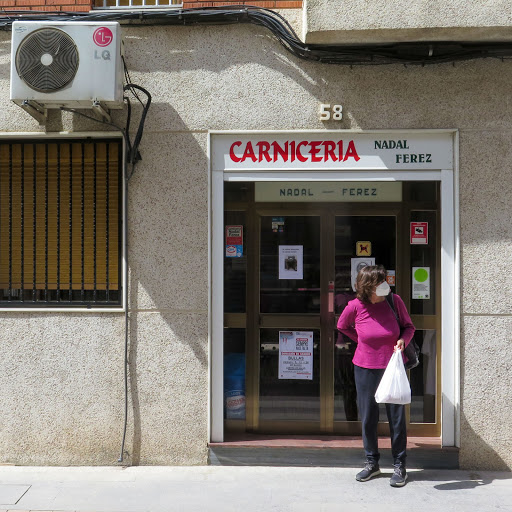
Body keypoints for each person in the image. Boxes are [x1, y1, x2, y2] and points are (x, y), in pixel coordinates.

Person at [337, 265, 415, 487]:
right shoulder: (355, 306)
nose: (385, 285)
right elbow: (342, 326)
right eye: (380, 282)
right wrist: (360, 339)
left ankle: (400, 465)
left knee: (396, 418)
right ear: (368, 286)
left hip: (393, 366)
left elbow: (409, 327)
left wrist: (403, 341)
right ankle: (372, 463)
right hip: (364, 366)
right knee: (369, 416)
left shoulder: (394, 301)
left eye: (385, 281)